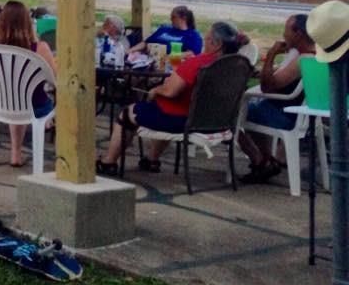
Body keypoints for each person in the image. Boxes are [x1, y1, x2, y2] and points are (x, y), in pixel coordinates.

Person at [96, 22, 247, 175]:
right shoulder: (237, 65)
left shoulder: (197, 63)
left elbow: (170, 91)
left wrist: (156, 90)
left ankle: (109, 161)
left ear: (217, 44)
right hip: (217, 121)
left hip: (184, 120)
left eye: (206, 39)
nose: (204, 42)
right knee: (160, 108)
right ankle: (151, 160)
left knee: (129, 113)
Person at [238, 14, 315, 184]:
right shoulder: (315, 54)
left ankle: (261, 160)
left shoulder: (303, 59)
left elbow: (268, 86)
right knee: (250, 107)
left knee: (232, 111)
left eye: (286, 30)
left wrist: (272, 54)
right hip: (301, 117)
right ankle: (267, 158)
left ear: (298, 34)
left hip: (284, 117)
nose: (284, 35)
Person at [0, 0, 58, 167]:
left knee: (17, 98)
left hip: (2, 105)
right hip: (36, 106)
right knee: (61, 99)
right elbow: (56, 79)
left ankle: (16, 153)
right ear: (28, 23)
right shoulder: (40, 48)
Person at [129, 6, 203, 56]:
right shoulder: (164, 29)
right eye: (171, 17)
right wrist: (130, 50)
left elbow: (191, 54)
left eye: (173, 17)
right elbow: (146, 43)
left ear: (184, 18)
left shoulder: (193, 35)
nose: (171, 19)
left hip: (172, 65)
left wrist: (168, 56)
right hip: (150, 59)